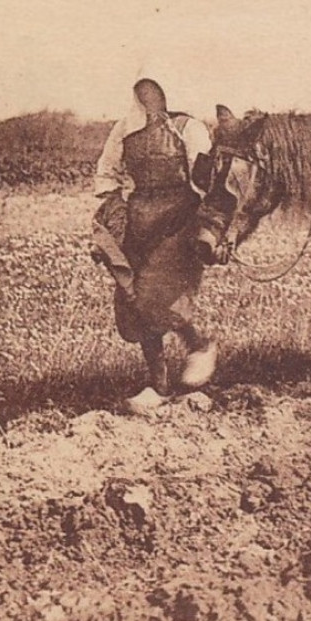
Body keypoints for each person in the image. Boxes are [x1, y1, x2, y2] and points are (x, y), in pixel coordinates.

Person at [91, 78, 218, 394]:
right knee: (133, 299)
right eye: (143, 92)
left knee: (155, 296)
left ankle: (200, 345)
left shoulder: (189, 127)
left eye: (155, 91)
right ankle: (158, 386)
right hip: (139, 219)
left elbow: (203, 178)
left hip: (178, 220)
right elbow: (107, 172)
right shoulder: (125, 129)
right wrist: (113, 211)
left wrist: (197, 221)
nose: (149, 99)